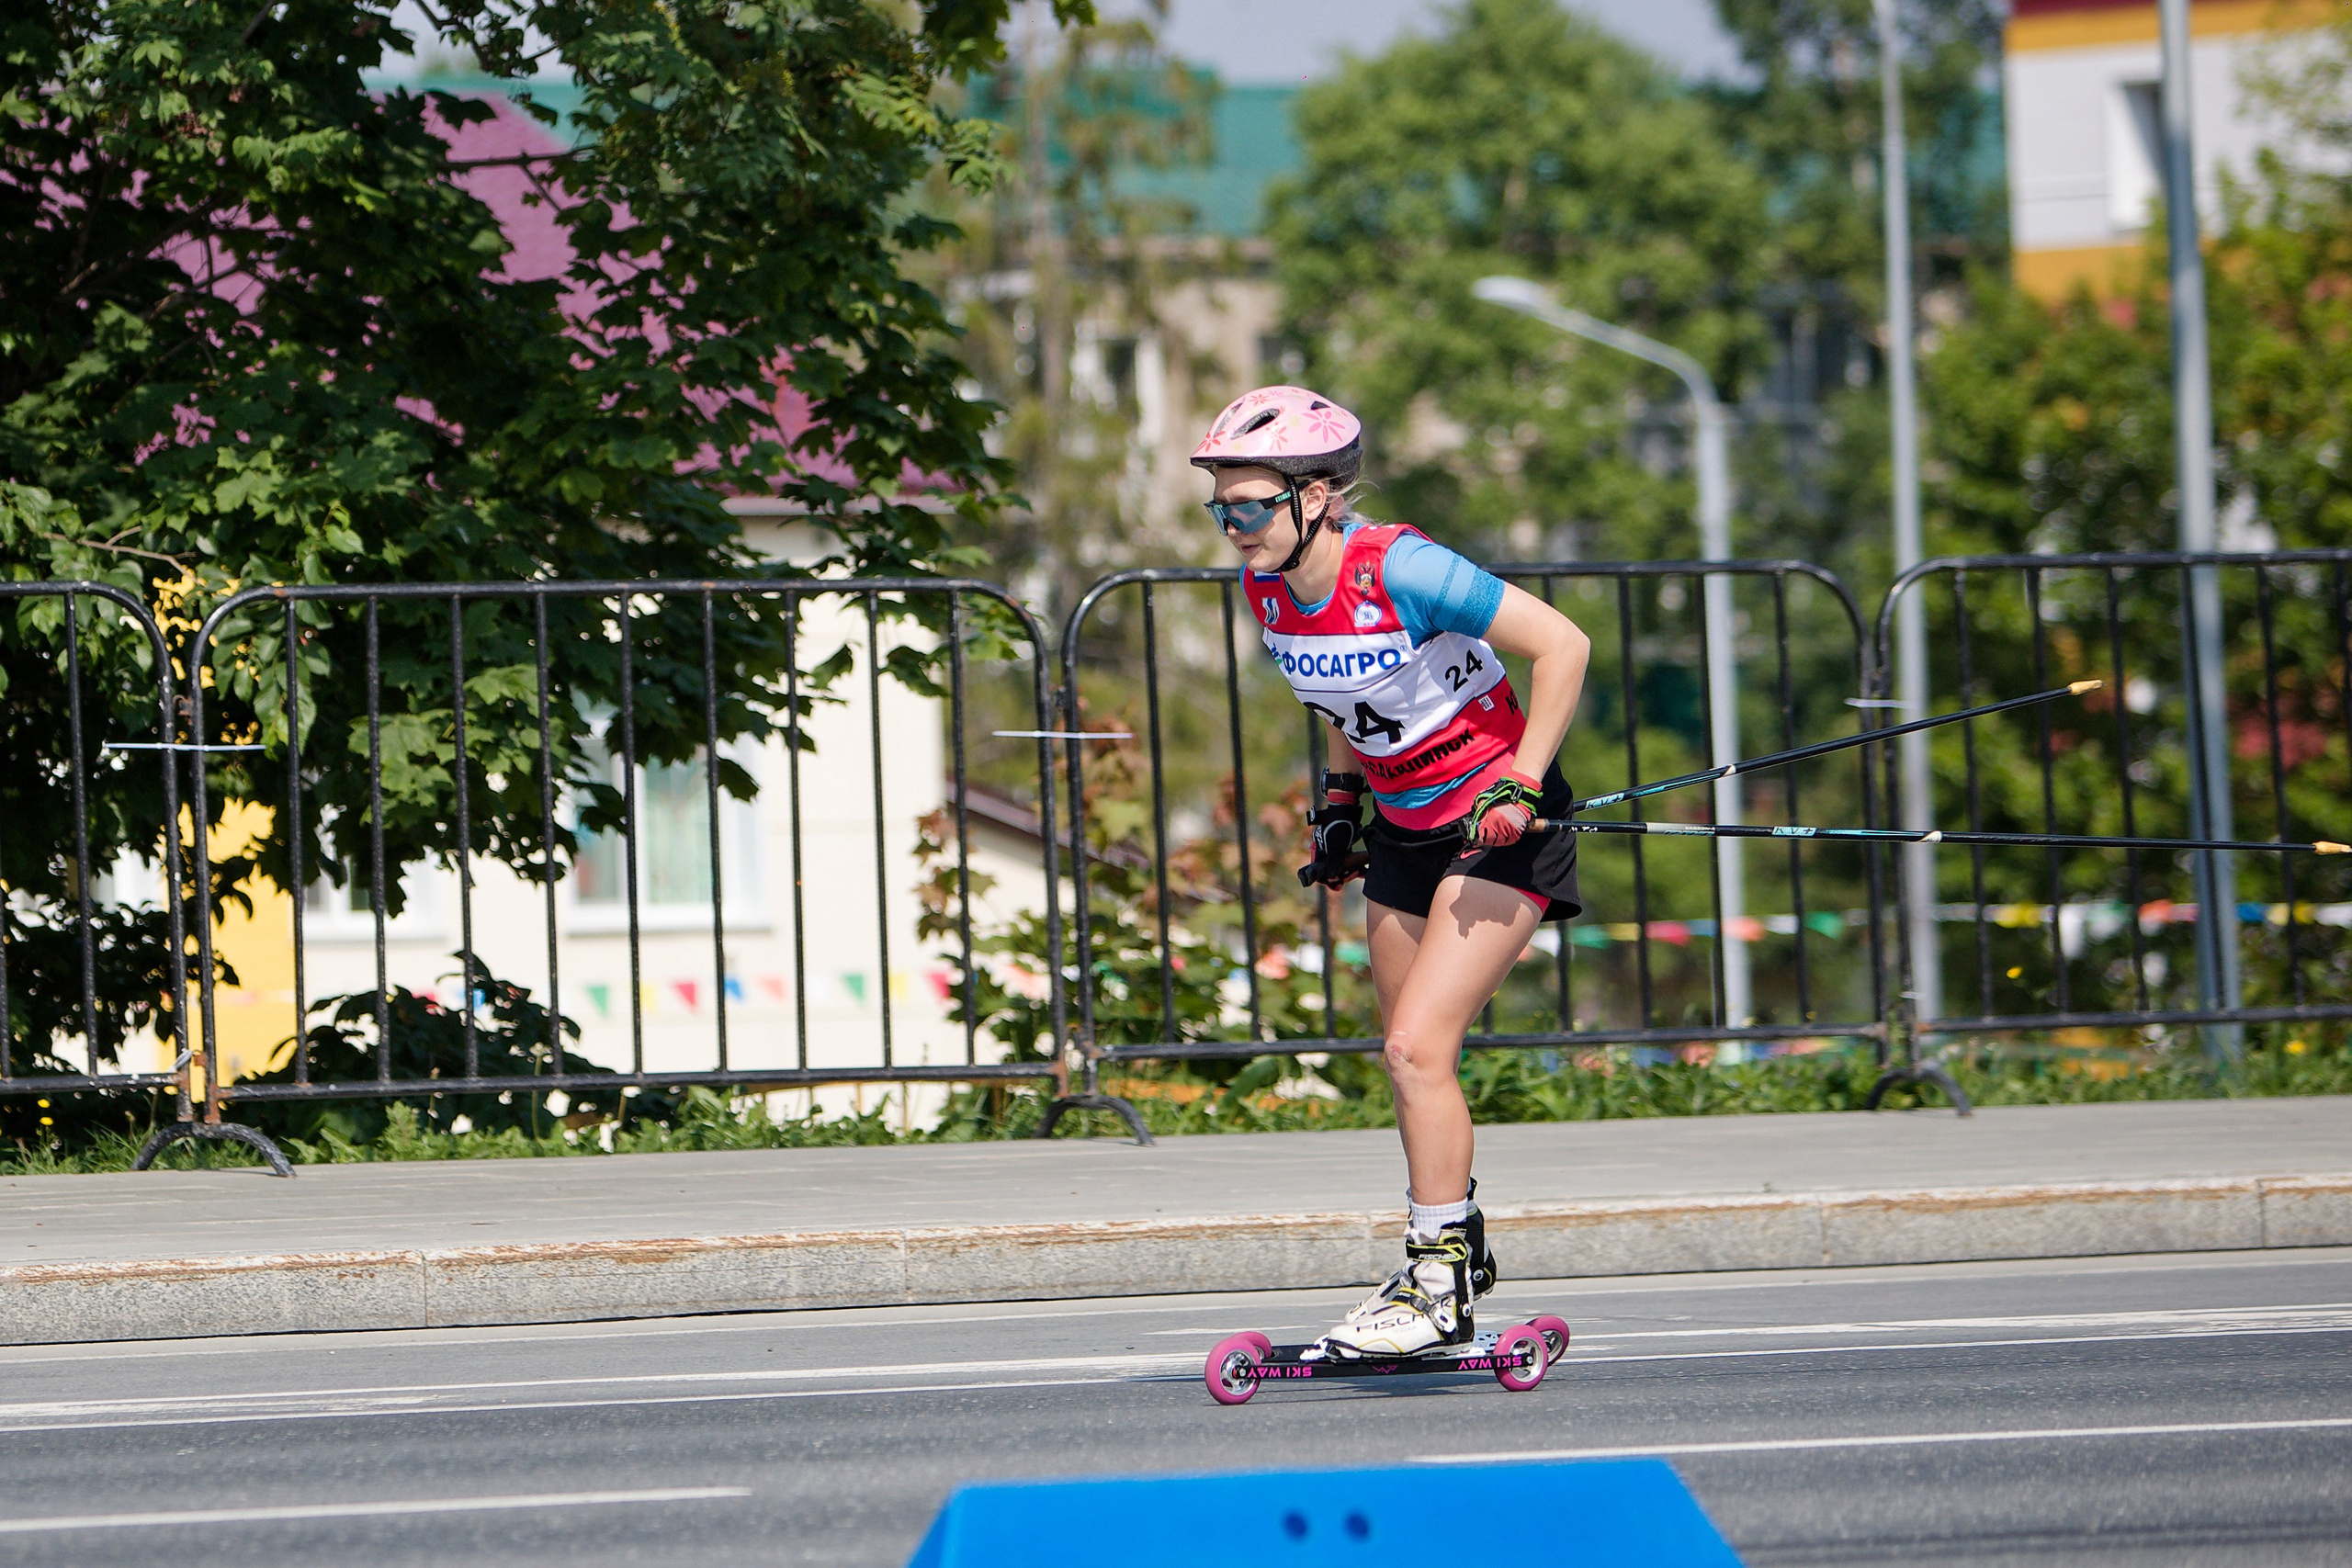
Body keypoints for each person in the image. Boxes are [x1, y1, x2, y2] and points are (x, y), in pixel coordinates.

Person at [1193, 385, 1592, 1359]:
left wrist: (1523, 782)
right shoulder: (1268, 586)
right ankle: (1453, 1258)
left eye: (1249, 505)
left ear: (1318, 495)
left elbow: (1564, 644)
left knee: (1414, 1048)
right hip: (1405, 831)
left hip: (1498, 828)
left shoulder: (1402, 569)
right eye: (1220, 508)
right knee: (1415, 1065)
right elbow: (1340, 700)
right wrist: (1338, 808)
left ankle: (1436, 1280)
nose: (1233, 527)